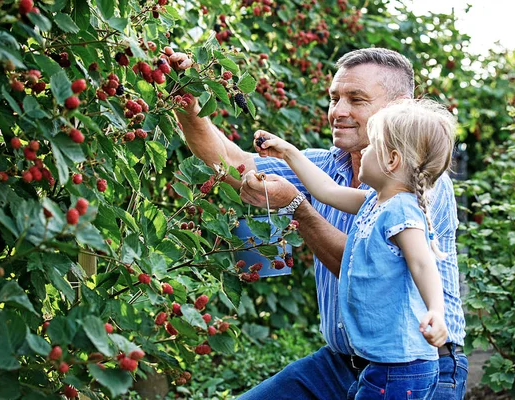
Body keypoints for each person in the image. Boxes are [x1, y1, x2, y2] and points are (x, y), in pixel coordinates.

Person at [174, 48, 467, 400]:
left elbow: (368, 266)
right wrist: (188, 105)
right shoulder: (331, 168)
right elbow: (236, 166)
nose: (338, 111)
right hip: (343, 364)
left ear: (400, 106)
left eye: (355, 99)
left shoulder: (422, 187)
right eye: (334, 98)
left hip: (415, 369)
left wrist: (298, 209)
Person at [254, 99, 454, 399]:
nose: (362, 151)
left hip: (401, 367)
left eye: (371, 146)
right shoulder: (376, 201)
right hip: (382, 364)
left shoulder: (402, 211)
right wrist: (289, 153)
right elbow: (326, 190)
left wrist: (437, 312)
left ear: (392, 160)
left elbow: (423, 264)